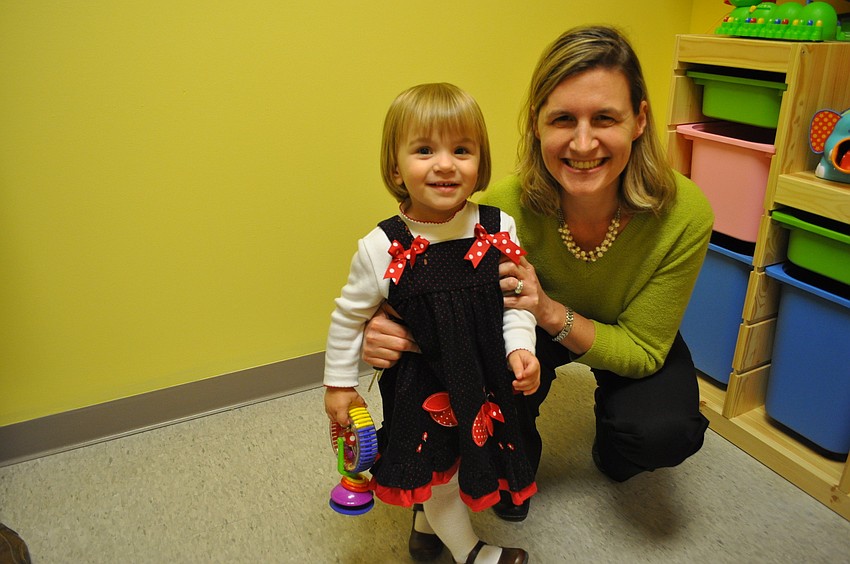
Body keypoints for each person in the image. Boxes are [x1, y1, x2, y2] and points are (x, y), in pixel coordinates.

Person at [362, 25, 714, 524]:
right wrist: (384, 323)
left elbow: (644, 350)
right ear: (537, 124)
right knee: (479, 387)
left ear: (639, 120)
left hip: (623, 333)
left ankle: (612, 446)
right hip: (525, 330)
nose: (584, 141)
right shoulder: (499, 207)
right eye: (564, 119)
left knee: (659, 432)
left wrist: (548, 310)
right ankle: (510, 465)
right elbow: (417, 266)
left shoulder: (685, 213)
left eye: (605, 118)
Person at [323, 82, 541, 564]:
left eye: (461, 150)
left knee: (461, 466)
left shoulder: (497, 226)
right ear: (395, 166)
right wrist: (340, 385)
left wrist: (520, 347)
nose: (445, 164)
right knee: (440, 474)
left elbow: (516, 302)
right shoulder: (382, 246)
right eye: (425, 150)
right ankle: (471, 554)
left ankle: (426, 531)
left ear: (480, 161)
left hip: (484, 380)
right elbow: (347, 317)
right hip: (424, 389)